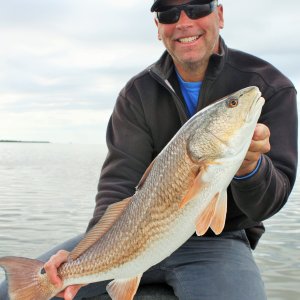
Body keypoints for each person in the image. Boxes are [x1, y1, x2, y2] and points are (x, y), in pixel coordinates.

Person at [0, 0, 297, 299]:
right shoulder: (136, 94)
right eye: (168, 14)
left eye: (196, 8)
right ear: (158, 27)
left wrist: (251, 169)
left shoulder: (268, 86)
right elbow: (119, 185)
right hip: (134, 237)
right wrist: (84, 254)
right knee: (16, 290)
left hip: (218, 240)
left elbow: (268, 203)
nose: (183, 21)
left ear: (219, 15)